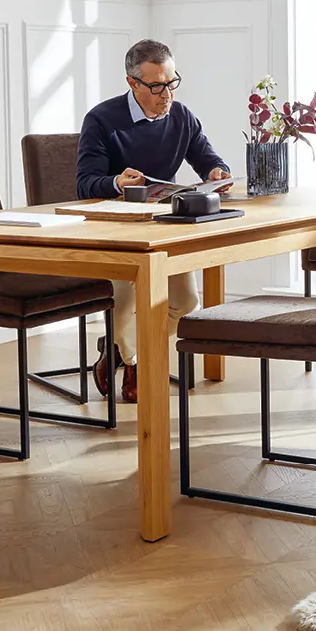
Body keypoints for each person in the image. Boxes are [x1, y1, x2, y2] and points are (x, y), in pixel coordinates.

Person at [76, 38, 231, 403]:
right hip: (115, 231)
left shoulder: (181, 116)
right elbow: (85, 184)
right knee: (128, 301)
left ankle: (118, 346)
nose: (167, 94)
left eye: (172, 82)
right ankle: (134, 364)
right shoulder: (102, 120)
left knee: (186, 302)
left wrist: (215, 172)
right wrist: (115, 182)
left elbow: (206, 156)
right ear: (133, 83)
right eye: (157, 86)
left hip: (165, 226)